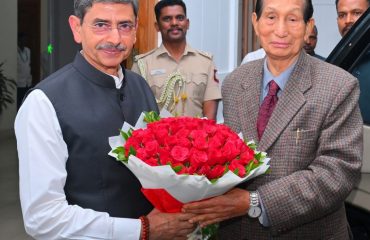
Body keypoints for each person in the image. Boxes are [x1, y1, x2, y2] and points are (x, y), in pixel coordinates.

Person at [14, 1, 195, 239]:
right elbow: (43, 218)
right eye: (101, 25)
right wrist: (142, 230)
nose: (115, 38)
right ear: (76, 28)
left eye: (125, 25)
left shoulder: (140, 86)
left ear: (136, 29)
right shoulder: (43, 102)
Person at [183, 0, 363, 239]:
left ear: (309, 26)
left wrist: (255, 202)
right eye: (270, 17)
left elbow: (337, 173)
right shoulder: (236, 82)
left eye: (292, 19)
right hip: (236, 231)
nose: (280, 30)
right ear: (255, 23)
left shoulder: (338, 86)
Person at [131, 0, 221, 120]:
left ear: (187, 23)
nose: (174, 23)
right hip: (158, 137)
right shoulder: (143, 65)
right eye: (167, 19)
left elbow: (210, 117)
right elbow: (137, 111)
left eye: (179, 18)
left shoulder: (206, 62)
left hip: (196, 137)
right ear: (157, 26)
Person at [17, 32, 32, 109]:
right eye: (22, 40)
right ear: (19, 41)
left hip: (28, 82)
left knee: (26, 103)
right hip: (19, 83)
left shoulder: (28, 50)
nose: (24, 42)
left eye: (25, 40)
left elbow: (28, 64)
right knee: (19, 103)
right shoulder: (15, 51)